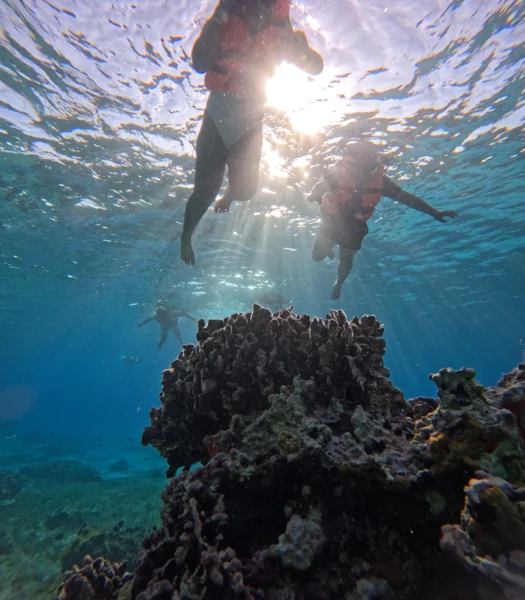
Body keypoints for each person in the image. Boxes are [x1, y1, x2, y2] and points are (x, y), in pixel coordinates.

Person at [181, 0, 324, 266]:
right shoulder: (226, 14)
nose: (260, 10)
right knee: (204, 190)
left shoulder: (281, 28)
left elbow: (316, 67)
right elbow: (200, 63)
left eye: (268, 6)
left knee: (246, 191)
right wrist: (216, 21)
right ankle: (186, 238)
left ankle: (229, 196)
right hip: (217, 113)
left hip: (251, 117)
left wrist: (300, 48)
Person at [308, 141, 459, 300]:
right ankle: (329, 247)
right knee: (317, 257)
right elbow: (317, 190)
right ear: (350, 160)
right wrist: (317, 198)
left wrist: (434, 212)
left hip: (355, 228)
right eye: (359, 160)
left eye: (368, 161)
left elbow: (406, 198)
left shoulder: (382, 182)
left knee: (346, 262)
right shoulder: (337, 175)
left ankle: (339, 283)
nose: (363, 167)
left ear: (375, 161)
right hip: (332, 222)